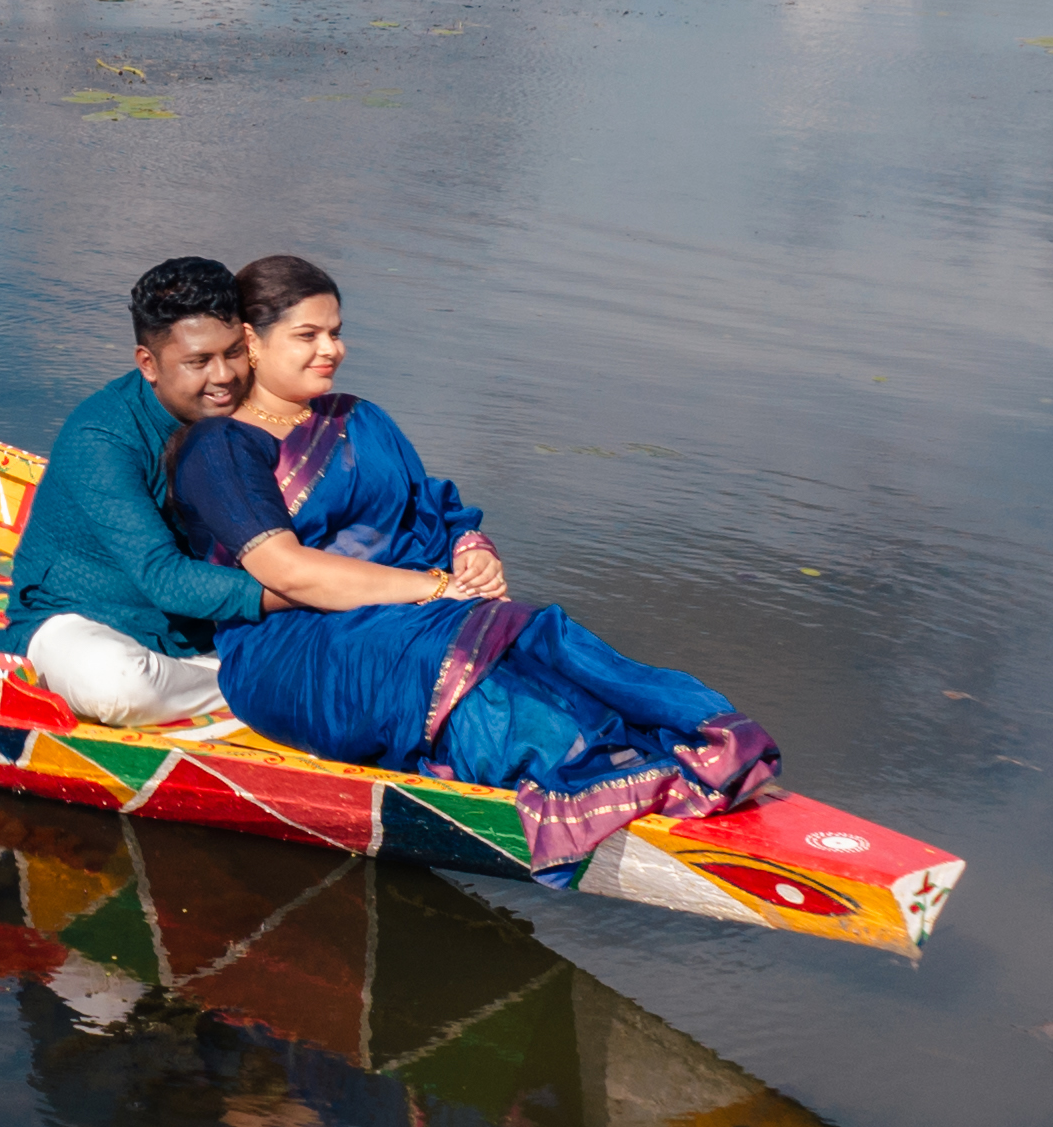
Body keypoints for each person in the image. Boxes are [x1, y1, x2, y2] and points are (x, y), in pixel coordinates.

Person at [162, 252, 778, 881]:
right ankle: (592, 778)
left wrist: (470, 550)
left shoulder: (358, 418)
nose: (332, 349)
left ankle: (674, 743)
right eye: (308, 335)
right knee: (445, 660)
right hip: (293, 641)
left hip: (411, 611)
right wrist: (434, 589)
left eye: (336, 332)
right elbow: (287, 571)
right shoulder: (222, 446)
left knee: (538, 630)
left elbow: (431, 506)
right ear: (251, 343)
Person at [0, 255, 269, 726]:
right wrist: (310, 590)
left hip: (210, 631)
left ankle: (238, 681)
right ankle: (254, 688)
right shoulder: (102, 435)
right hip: (85, 622)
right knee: (118, 686)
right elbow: (163, 577)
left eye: (233, 352)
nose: (224, 376)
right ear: (148, 363)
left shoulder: (260, 407)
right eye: (198, 362)